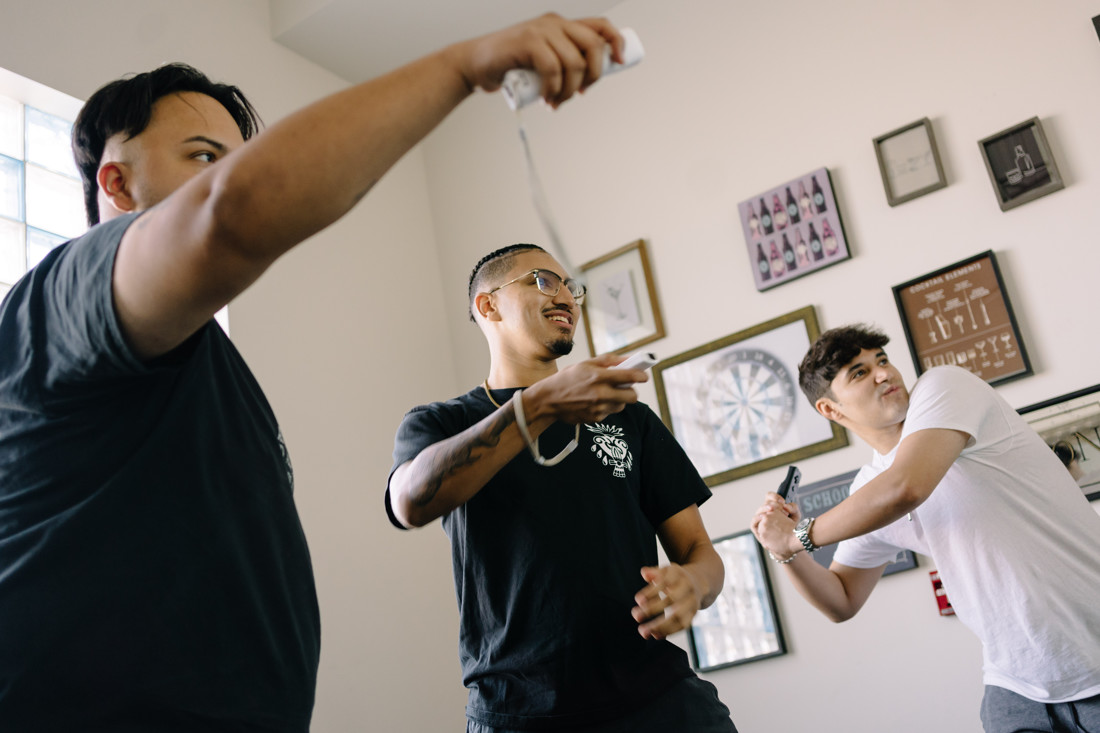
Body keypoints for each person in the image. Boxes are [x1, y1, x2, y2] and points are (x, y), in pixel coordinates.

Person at [0, 15, 631, 731]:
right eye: (207, 157)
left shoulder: (210, 372)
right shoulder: (63, 295)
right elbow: (231, 213)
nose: (233, 175)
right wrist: (465, 65)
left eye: (239, 158)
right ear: (116, 185)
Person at [386, 244, 736, 732]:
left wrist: (694, 584)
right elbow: (409, 502)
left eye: (572, 289)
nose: (567, 298)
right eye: (542, 281)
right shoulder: (443, 422)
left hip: (663, 701)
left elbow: (700, 551)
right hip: (518, 713)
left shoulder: (628, 417)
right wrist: (537, 406)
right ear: (488, 305)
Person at [751, 325, 1100, 733]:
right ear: (830, 409)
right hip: (1015, 684)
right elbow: (841, 601)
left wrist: (799, 535)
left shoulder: (944, 386)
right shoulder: (866, 491)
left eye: (881, 360)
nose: (884, 373)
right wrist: (785, 552)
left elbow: (907, 486)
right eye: (859, 373)